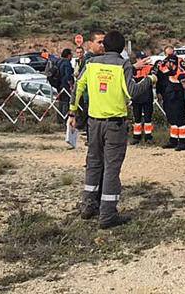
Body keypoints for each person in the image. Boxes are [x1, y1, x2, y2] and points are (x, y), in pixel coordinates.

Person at [69, 30, 155, 228]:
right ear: (122, 48)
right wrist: (150, 80)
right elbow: (132, 91)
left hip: (94, 122)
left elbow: (78, 87)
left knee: (94, 164)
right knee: (111, 168)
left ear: (104, 46)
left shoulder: (91, 64)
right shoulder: (122, 64)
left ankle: (88, 205)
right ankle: (108, 214)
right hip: (114, 124)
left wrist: (72, 113)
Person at [156, 48, 185, 151]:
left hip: (178, 95)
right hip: (169, 95)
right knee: (172, 119)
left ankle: (183, 142)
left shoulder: (179, 70)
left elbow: (184, 83)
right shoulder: (168, 68)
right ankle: (173, 140)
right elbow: (161, 73)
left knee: (180, 119)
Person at [130, 51, 155, 144]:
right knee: (137, 118)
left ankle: (148, 137)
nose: (144, 60)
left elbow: (153, 78)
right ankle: (136, 136)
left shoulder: (150, 67)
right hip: (136, 97)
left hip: (147, 96)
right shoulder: (132, 68)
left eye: (145, 58)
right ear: (137, 59)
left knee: (148, 118)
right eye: (141, 58)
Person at [55, 48, 75, 124]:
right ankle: (64, 120)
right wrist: (71, 85)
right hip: (65, 85)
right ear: (69, 55)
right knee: (66, 102)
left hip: (59, 85)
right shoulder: (67, 63)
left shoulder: (59, 61)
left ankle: (59, 119)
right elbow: (68, 76)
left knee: (61, 102)